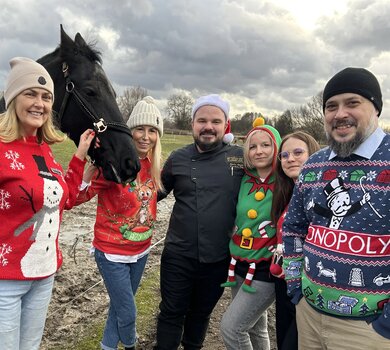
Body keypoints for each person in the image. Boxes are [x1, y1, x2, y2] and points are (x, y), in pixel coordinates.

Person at [282, 67, 390, 349]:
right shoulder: (314, 165)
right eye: (331, 106)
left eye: (352, 103)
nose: (340, 113)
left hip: (369, 331)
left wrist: (386, 325)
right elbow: (294, 227)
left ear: (376, 108)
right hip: (309, 316)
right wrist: (296, 287)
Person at [0, 57, 95, 350]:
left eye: (46, 97)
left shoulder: (45, 149)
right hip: (5, 280)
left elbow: (59, 199)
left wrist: (80, 159)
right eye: (30, 93)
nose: (39, 103)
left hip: (44, 274)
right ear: (13, 99)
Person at [154, 94, 244, 350]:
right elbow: (152, 195)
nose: (208, 126)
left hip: (218, 258)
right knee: (171, 312)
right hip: (178, 256)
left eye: (216, 121)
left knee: (200, 314)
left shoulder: (240, 158)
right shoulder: (177, 158)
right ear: (193, 123)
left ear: (225, 125)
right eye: (202, 120)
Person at [76, 96, 163, 350]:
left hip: (141, 250)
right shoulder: (112, 165)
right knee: (128, 313)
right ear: (129, 131)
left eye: (152, 130)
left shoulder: (153, 166)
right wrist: (85, 173)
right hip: (111, 252)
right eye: (140, 129)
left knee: (118, 308)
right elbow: (78, 196)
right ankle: (130, 345)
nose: (145, 136)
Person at [220, 117, 281, 350]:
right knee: (256, 327)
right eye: (253, 146)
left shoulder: (286, 181)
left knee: (232, 328)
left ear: (276, 146)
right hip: (239, 263)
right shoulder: (242, 178)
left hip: (266, 267)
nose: (259, 151)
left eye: (266, 145)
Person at [270, 131, 320, 350]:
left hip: (308, 287)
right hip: (284, 282)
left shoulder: (321, 194)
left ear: (314, 155)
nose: (290, 158)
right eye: (284, 155)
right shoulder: (288, 192)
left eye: (298, 152)